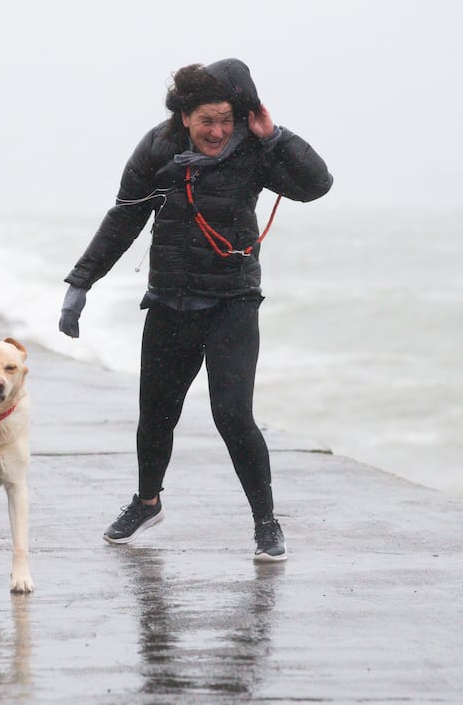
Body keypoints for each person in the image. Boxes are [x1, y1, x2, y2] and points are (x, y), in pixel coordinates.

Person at [58, 58, 333, 561]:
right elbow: (125, 216)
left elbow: (317, 185)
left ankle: (266, 523)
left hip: (233, 301)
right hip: (169, 301)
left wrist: (276, 136)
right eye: (207, 120)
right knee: (155, 416)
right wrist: (82, 281)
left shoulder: (253, 149)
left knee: (232, 414)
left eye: (226, 119)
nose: (217, 131)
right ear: (185, 116)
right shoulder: (159, 148)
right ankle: (147, 501)